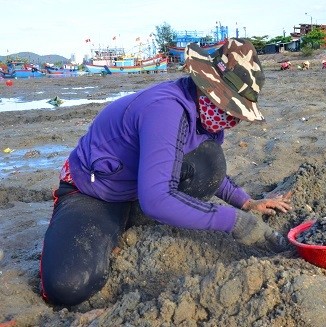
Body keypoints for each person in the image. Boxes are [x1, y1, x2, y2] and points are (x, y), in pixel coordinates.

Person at [40, 38, 293, 307]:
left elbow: (207, 169)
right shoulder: (165, 110)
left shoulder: (205, 117)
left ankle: (130, 219)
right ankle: (112, 222)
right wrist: (236, 221)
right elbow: (157, 199)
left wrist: (245, 202)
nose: (232, 120)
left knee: (210, 159)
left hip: (139, 191)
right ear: (206, 86)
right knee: (68, 285)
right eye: (229, 107)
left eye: (236, 112)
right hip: (94, 192)